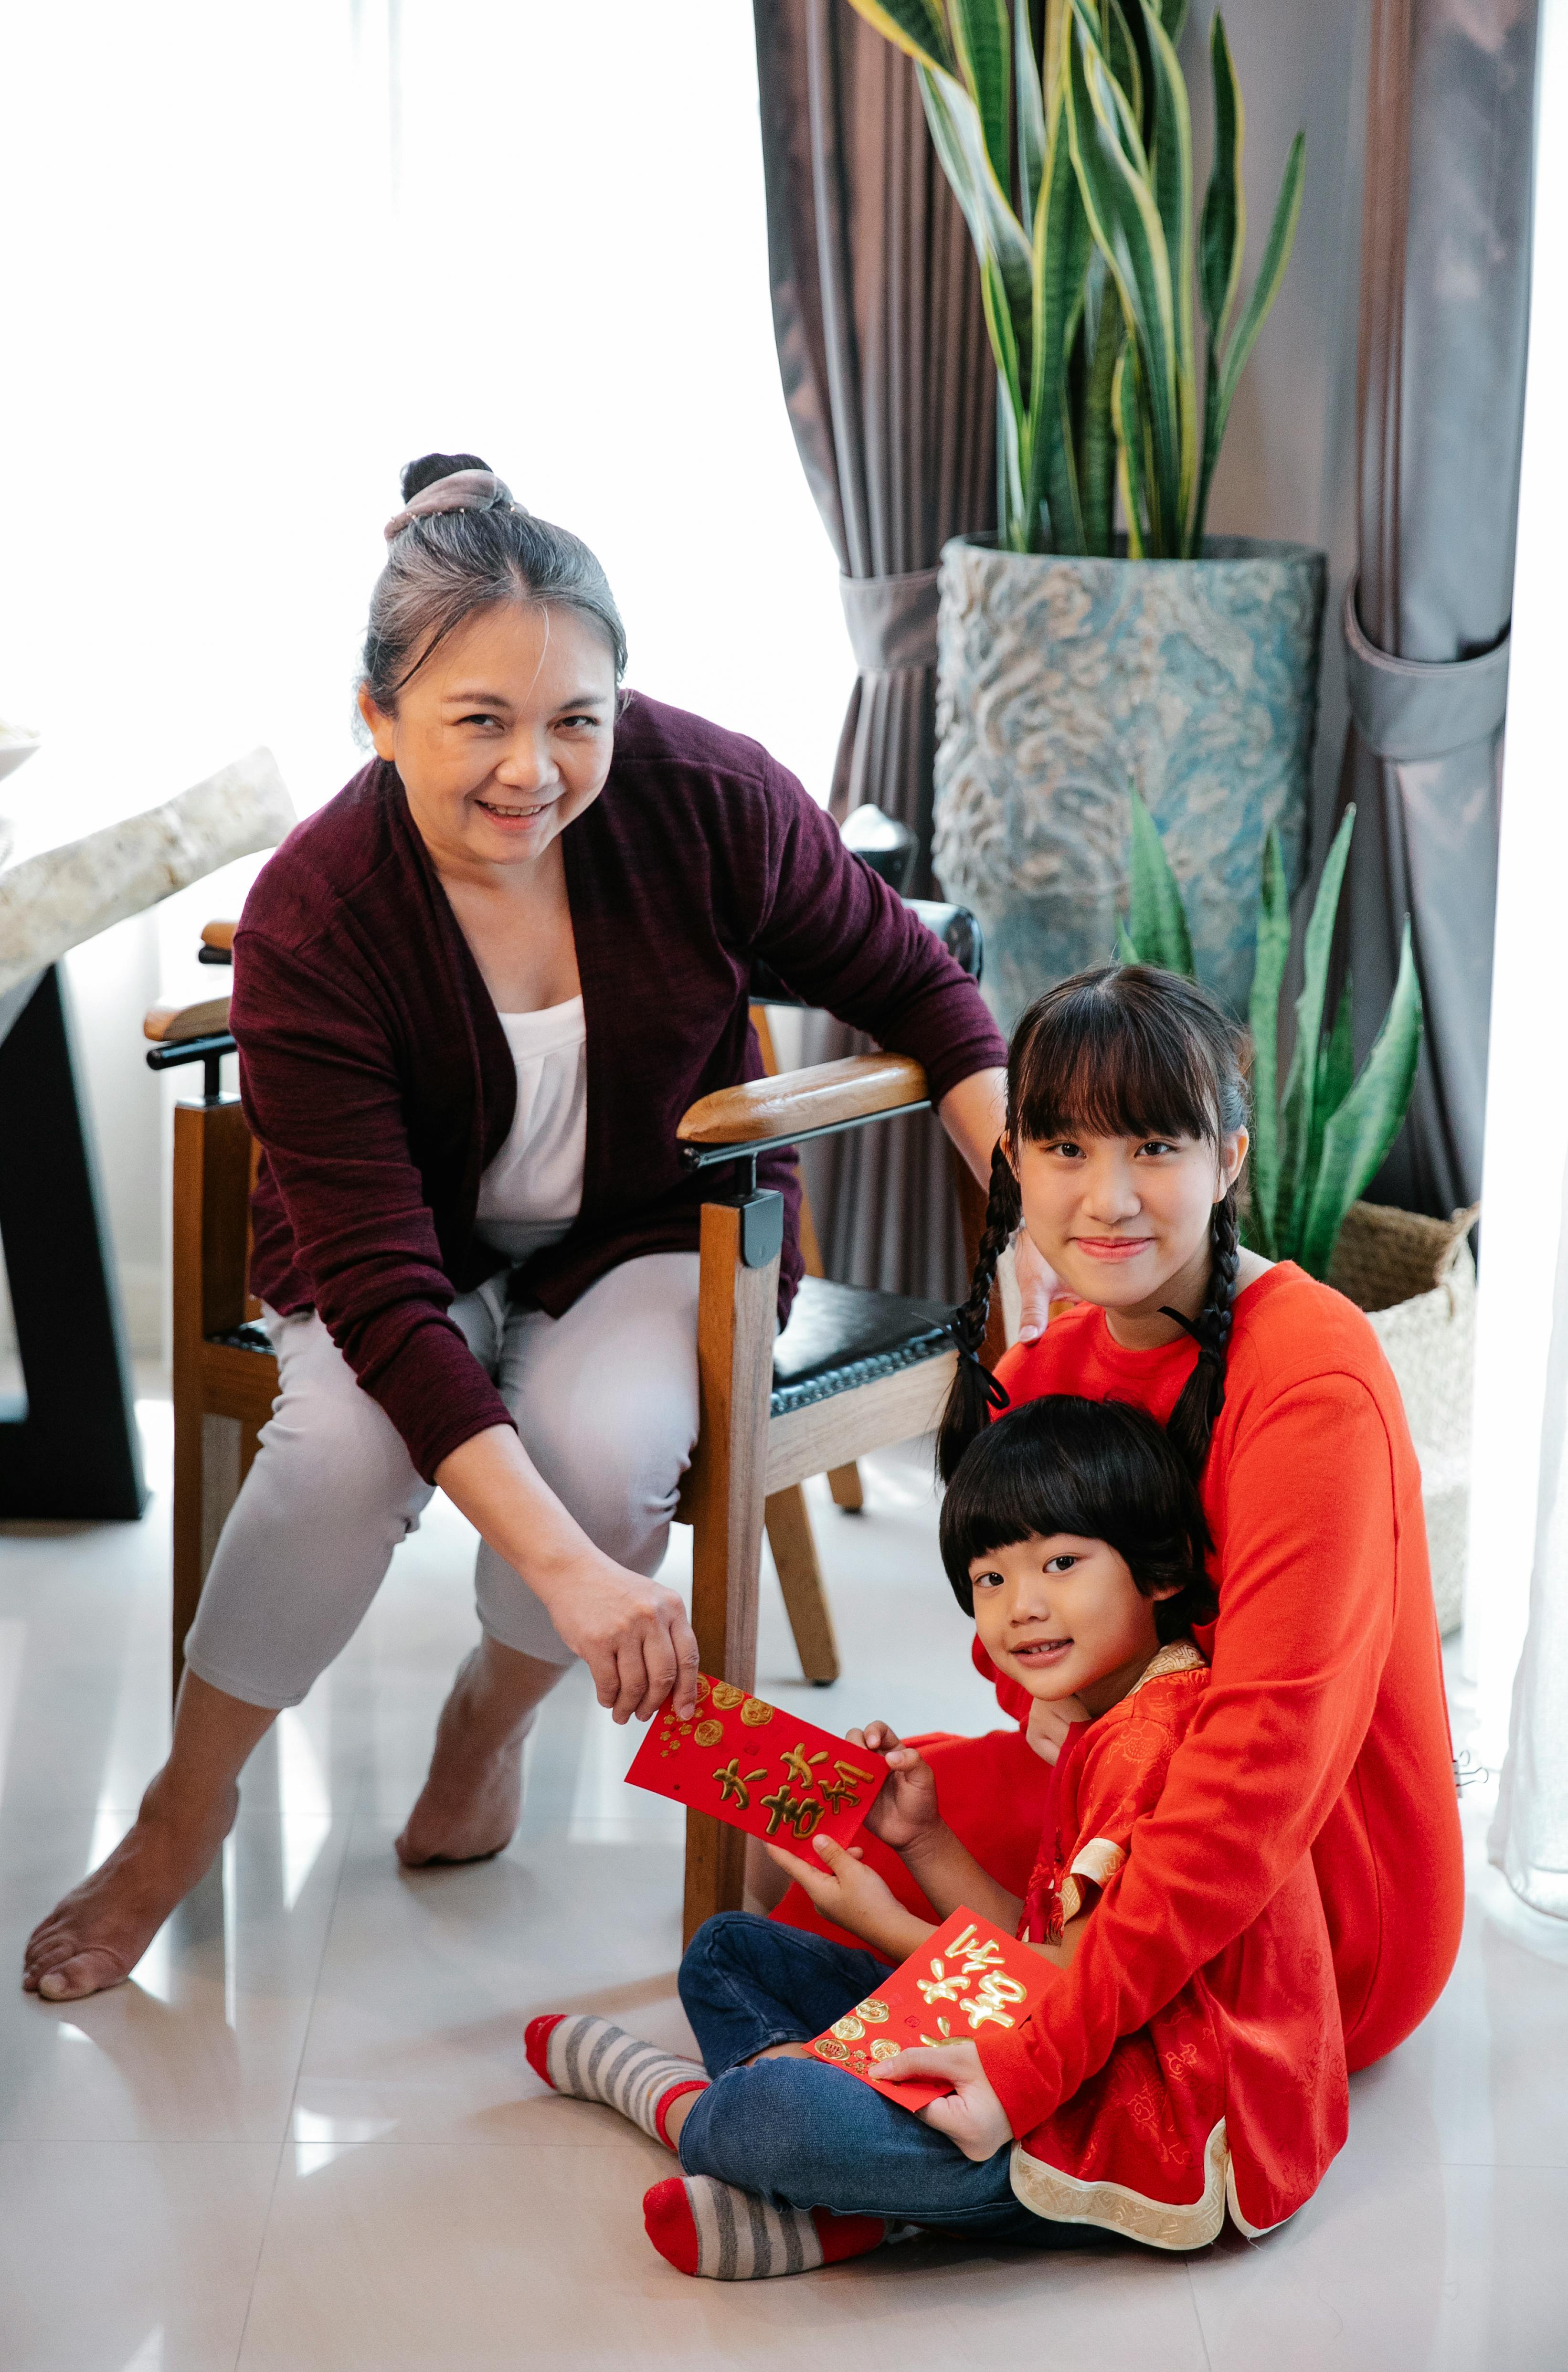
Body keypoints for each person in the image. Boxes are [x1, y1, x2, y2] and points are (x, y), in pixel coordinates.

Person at [23, 451, 1024, 2005]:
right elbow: (386, 1297)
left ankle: (484, 1722)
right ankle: (180, 1808)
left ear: (627, 702)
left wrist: (1021, 1205)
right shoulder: (318, 912)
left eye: (577, 720)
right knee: (340, 1453)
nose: (533, 770)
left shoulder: (706, 798)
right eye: (476, 722)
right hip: (393, 1252)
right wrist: (578, 1579)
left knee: (608, 1439)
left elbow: (914, 982)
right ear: (376, 721)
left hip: (649, 1223)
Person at [770, 962, 1464, 2134]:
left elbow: (1261, 1772)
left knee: (908, 1969)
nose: (1107, 1200)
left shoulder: (1311, 1373)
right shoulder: (1043, 1367)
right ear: (1016, 1162)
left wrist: (1042, 2052)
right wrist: (1048, 1695)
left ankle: (831, 2141)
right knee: (829, 1841)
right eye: (1065, 1151)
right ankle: (828, 2094)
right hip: (1110, 1816)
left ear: (1228, 1160)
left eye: (1153, 1148)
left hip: (1315, 1891)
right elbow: (1016, 1637)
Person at [523, 1395, 1347, 2278]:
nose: (1022, 1606)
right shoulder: (1110, 1715)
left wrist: (883, 1921)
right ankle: (860, 2207)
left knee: (781, 2108)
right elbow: (1037, 1954)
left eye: (1061, 1562)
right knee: (729, 1953)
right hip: (1062, 2058)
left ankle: (685, 2109)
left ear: (1164, 1569)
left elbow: (1061, 1994)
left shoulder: (1151, 1740)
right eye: (991, 1579)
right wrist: (923, 1841)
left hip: (1151, 2136)